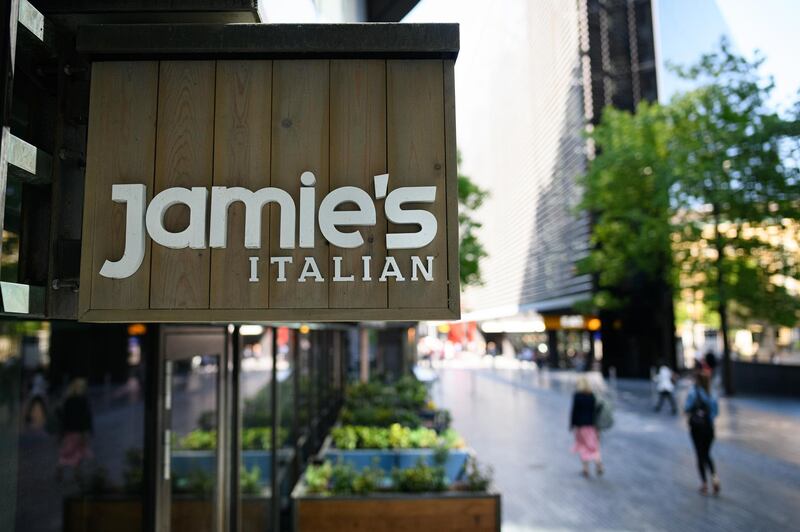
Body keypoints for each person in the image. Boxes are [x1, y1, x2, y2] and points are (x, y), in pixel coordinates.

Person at [685, 371, 720, 495]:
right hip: (709, 428)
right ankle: (715, 477)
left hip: (697, 428)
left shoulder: (694, 392)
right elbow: (716, 413)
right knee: (707, 454)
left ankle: (704, 484)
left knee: (700, 455)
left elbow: (687, 407)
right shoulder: (713, 394)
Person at [57, 378, 94, 480]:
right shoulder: (82, 400)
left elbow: (64, 416)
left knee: (71, 450)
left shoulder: (68, 399)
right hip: (79, 430)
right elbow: (85, 417)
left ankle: (70, 470)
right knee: (76, 451)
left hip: (69, 430)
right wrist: (87, 430)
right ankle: (72, 471)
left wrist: (62, 431)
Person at [570, 376, 603, 477]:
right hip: (591, 425)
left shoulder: (577, 396)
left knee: (583, 446)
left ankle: (586, 469)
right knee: (593, 446)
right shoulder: (592, 395)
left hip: (581, 426)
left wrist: (572, 425)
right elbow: (596, 411)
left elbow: (574, 412)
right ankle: (598, 463)